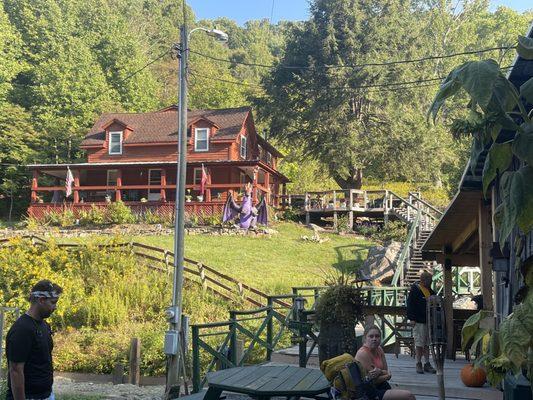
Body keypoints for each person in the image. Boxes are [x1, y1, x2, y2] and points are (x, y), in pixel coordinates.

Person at [5, 280, 63, 400]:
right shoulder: (22, 329)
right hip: (30, 396)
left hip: (46, 394)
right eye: (53, 302)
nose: (55, 307)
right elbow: (15, 370)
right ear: (41, 300)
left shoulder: (44, 325)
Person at [355, 325, 416, 400]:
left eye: (377, 336)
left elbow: (385, 371)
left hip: (382, 386)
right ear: (365, 338)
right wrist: (387, 376)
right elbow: (373, 381)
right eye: (371, 336)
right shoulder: (363, 353)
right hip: (370, 392)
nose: (374, 339)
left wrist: (380, 372)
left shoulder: (379, 349)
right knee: (409, 396)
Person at [406, 270, 436, 374]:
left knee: (427, 343)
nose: (431, 282)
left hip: (428, 321)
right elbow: (410, 304)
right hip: (418, 321)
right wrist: (412, 318)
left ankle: (427, 363)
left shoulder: (430, 291)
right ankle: (418, 363)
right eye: (430, 280)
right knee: (419, 343)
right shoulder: (415, 289)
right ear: (424, 280)